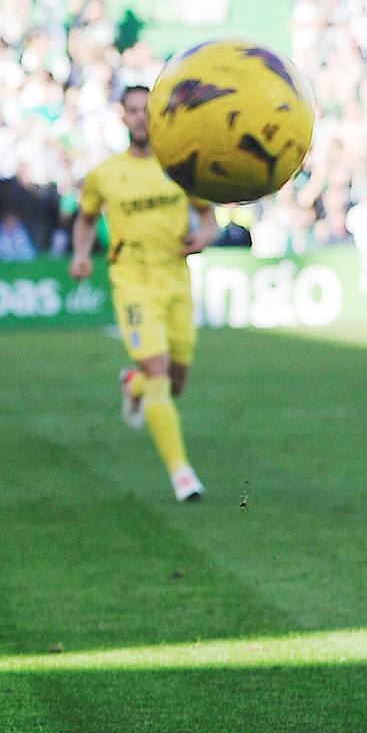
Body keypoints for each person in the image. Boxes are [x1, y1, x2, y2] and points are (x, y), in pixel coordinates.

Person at [68, 84, 217, 503]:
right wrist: (81, 254)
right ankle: (182, 474)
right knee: (159, 372)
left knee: (175, 381)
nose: (139, 117)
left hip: (176, 281)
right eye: (132, 110)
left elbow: (208, 214)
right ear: (123, 117)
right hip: (133, 284)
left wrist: (204, 236)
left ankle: (132, 386)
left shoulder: (177, 166)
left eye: (145, 110)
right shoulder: (105, 174)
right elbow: (85, 218)